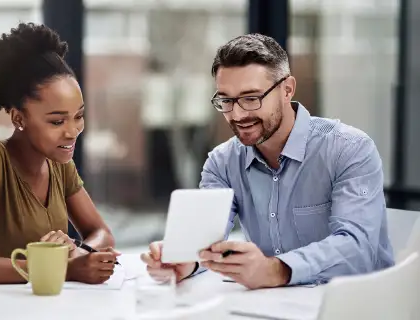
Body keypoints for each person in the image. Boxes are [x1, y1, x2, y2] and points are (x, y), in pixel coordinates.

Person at [141, 34, 394, 289]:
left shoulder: (349, 149)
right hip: (275, 306)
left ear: (287, 89)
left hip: (357, 306)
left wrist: (277, 270)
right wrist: (187, 259)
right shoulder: (222, 163)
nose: (237, 114)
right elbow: (206, 237)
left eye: (251, 98)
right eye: (226, 100)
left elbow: (358, 248)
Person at [0, 23, 117, 285]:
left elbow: (102, 233)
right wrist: (60, 268)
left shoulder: (58, 163)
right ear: (18, 118)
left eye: (78, 116)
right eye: (57, 122)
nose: (72, 131)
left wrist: (78, 253)